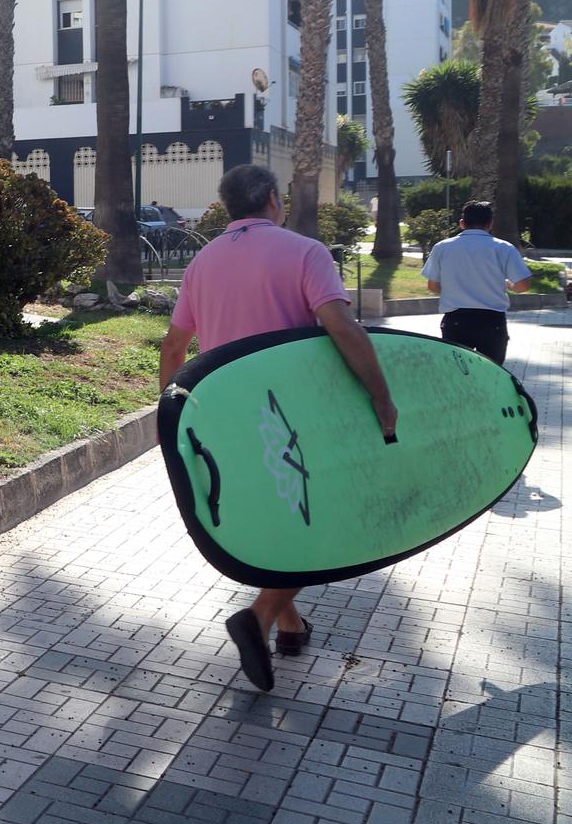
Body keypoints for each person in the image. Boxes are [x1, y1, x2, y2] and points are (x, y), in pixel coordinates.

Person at [158, 164, 397, 693]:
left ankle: (289, 625)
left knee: (281, 520)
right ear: (272, 199)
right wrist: (381, 394)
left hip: (226, 419)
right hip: (296, 418)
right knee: (320, 522)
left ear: (227, 207)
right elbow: (341, 326)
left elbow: (174, 348)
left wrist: (172, 418)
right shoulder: (305, 252)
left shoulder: (201, 262)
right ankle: (261, 616)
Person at [422, 200, 531, 366]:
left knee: (456, 374)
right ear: (490, 224)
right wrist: (508, 284)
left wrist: (454, 292)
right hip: (492, 322)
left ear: (462, 223)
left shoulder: (442, 247)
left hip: (456, 320)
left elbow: (433, 286)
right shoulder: (504, 248)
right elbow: (523, 285)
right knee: (491, 374)